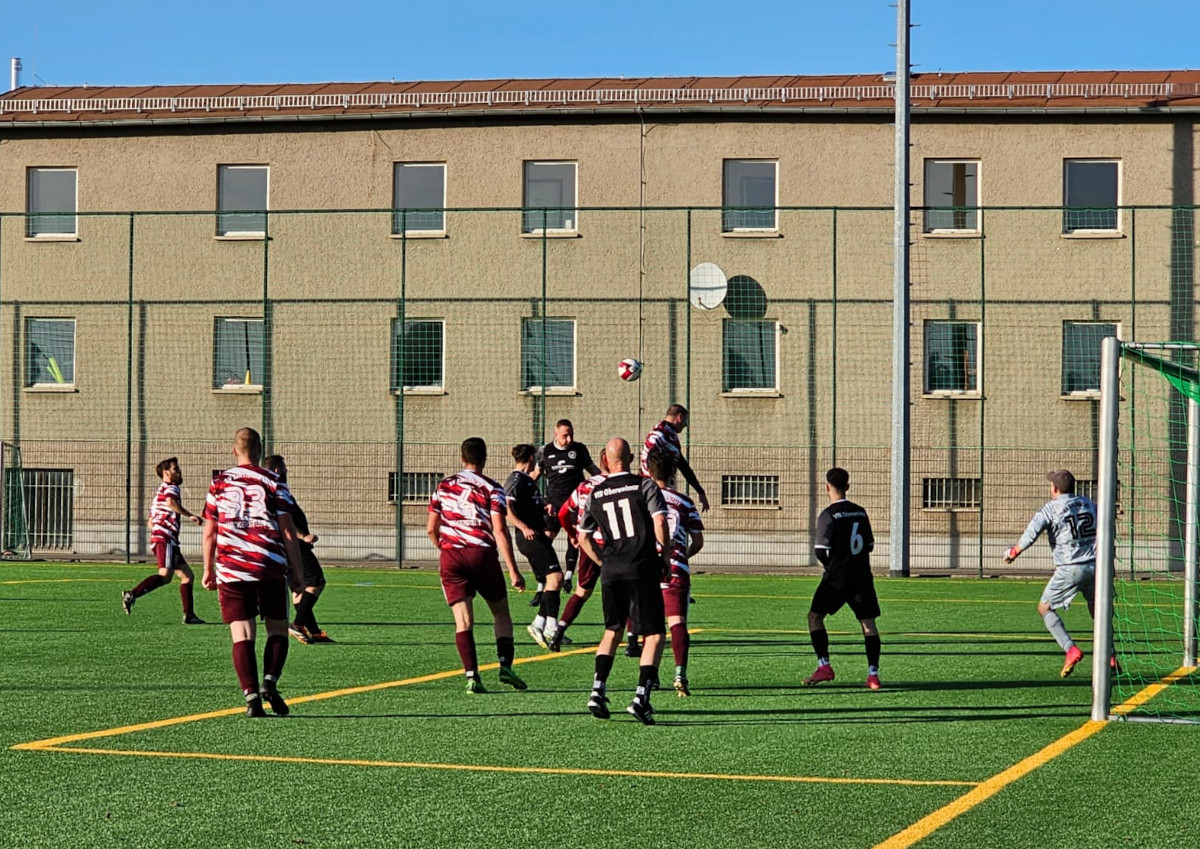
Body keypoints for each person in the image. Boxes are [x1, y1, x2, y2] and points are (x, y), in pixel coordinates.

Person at [202, 428, 306, 717]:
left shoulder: (219, 483)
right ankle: (269, 682)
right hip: (268, 564)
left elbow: (210, 530)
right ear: (260, 451)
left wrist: (207, 569)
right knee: (277, 629)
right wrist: (297, 572)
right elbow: (287, 530)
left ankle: (251, 698)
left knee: (241, 634)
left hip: (231, 567)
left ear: (234, 450)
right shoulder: (274, 481)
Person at [578, 437, 670, 725]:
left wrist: (604, 563)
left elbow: (583, 537)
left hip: (612, 569)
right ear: (631, 458)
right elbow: (660, 521)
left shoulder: (595, 492)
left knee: (612, 630)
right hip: (641, 566)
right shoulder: (644, 485)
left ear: (605, 460)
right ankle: (641, 697)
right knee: (653, 634)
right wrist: (664, 557)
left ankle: (597, 690)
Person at [427, 437, 529, 694]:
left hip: (452, 556)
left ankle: (472, 676)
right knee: (501, 613)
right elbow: (499, 529)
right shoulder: (493, 489)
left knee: (463, 622)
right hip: (481, 554)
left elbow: (431, 528)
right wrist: (513, 570)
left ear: (462, 458)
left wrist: (443, 547)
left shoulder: (444, 485)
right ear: (485, 459)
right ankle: (505, 665)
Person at [1004, 469, 1113, 678]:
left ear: (1054, 488)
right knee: (1097, 610)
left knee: (1044, 607)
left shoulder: (1051, 508)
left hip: (1070, 568)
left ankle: (1070, 649)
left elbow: (1032, 533)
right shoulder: (1088, 503)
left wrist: (1015, 551)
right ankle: (1110, 655)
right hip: (1096, 565)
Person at [803, 467, 883, 690]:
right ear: (848, 486)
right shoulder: (860, 512)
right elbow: (869, 545)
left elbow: (821, 550)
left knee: (815, 617)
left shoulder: (828, 515)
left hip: (836, 578)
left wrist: (832, 566)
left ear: (827, 487)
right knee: (868, 624)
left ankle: (824, 666)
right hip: (862, 576)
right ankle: (873, 675)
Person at [645, 448, 704, 697]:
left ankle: (651, 676)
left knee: (652, 627)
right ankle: (680, 673)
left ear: (648, 471)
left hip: (648, 567)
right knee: (677, 623)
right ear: (672, 473)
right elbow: (698, 541)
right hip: (676, 568)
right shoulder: (684, 501)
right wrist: (682, 557)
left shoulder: (642, 497)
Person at [122, 457, 204, 624]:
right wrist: (190, 515)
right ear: (166, 473)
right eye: (175, 469)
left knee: (187, 576)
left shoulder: (159, 491)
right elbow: (171, 502)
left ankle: (189, 614)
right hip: (165, 538)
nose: (179, 471)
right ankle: (132, 594)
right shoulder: (171, 488)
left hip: (165, 538)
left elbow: (151, 522)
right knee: (165, 575)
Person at [262, 455, 332, 645]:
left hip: (284, 545)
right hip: (295, 545)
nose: (287, 471)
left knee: (298, 589)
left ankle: (315, 632)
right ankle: (298, 624)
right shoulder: (278, 489)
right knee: (316, 581)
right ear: (277, 470)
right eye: (284, 467)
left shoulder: (268, 489)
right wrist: (303, 536)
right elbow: (286, 520)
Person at [546, 450, 610, 652]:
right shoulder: (622, 484)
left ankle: (558, 633)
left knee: (581, 593)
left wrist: (573, 534)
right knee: (627, 592)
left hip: (588, 544)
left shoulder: (584, 486)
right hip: (614, 545)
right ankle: (632, 641)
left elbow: (565, 512)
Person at [532, 420, 600, 602]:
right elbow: (535, 475)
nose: (569, 439)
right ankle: (542, 583)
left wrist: (606, 481)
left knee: (576, 539)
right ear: (556, 434)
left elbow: (592, 470)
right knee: (545, 540)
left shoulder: (579, 449)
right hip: (553, 504)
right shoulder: (545, 451)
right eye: (564, 435)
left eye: (571, 434)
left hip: (574, 504)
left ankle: (569, 576)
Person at [504, 444, 563, 649]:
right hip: (529, 538)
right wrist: (524, 527)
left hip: (537, 536)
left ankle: (548, 626)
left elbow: (529, 506)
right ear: (530, 458)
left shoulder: (528, 481)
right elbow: (507, 509)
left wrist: (545, 507)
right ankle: (542, 624)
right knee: (555, 577)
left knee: (552, 580)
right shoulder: (516, 479)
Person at [640, 405, 709, 513]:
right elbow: (650, 460)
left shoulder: (669, 435)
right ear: (679, 417)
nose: (685, 425)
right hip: (654, 491)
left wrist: (700, 491)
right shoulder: (659, 434)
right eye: (685, 420)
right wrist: (656, 487)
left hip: (660, 490)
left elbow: (683, 465)